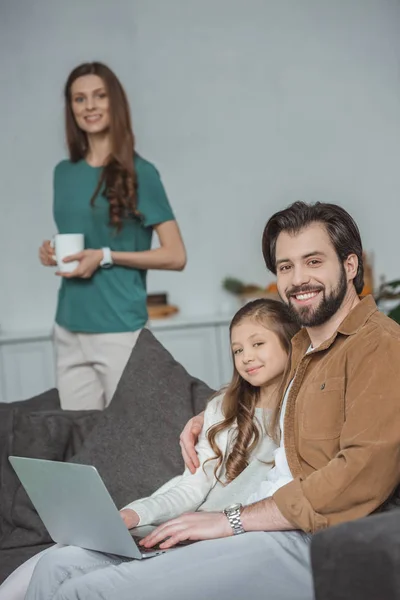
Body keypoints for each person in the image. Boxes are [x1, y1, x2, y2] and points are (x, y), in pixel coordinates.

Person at [21, 201, 400, 600]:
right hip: (258, 525)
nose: (298, 278)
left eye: (313, 261)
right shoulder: (301, 348)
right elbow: (257, 399)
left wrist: (231, 520)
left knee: (89, 592)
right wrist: (209, 414)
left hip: (311, 539)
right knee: (57, 565)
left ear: (351, 265)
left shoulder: (380, 347)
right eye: (285, 266)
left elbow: (360, 475)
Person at [0, 298, 299, 600]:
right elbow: (191, 487)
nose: (247, 356)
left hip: (228, 538)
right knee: (55, 561)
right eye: (237, 349)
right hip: (183, 526)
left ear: (290, 343)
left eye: (258, 343)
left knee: (82, 587)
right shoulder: (223, 408)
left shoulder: (302, 409)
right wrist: (135, 513)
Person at [39, 62, 186, 410]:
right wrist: (50, 251)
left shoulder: (141, 173)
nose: (89, 106)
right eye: (79, 99)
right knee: (81, 443)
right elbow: (77, 236)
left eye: (99, 96)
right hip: (69, 327)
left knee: (130, 442)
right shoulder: (64, 173)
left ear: (114, 103)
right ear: (71, 108)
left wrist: (105, 255)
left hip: (120, 328)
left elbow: (176, 255)